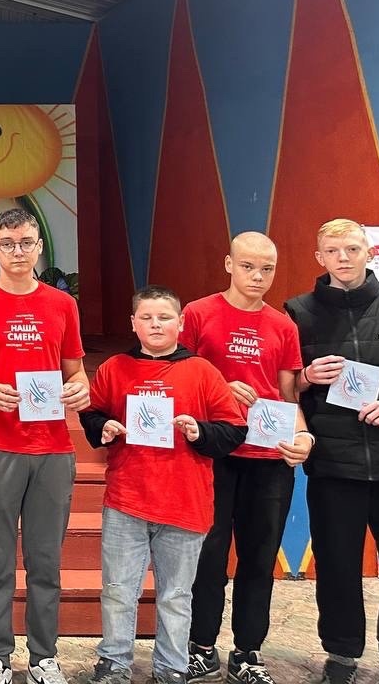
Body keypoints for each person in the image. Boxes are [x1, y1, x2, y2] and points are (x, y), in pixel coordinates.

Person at [0, 207, 90, 684]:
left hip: (52, 448)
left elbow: (75, 370)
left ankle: (45, 657)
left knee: (46, 562)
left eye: (26, 242)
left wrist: (80, 389)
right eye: (7, 244)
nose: (18, 251)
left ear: (39, 246)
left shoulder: (61, 305)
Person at [79, 286, 246, 684]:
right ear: (133, 323)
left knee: (176, 595)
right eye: (147, 317)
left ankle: (171, 666)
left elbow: (233, 430)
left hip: (185, 502)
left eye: (165, 317)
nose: (156, 324)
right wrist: (104, 427)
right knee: (118, 590)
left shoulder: (203, 371)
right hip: (126, 499)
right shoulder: (114, 368)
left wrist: (199, 432)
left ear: (181, 323)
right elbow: (93, 414)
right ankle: (114, 662)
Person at [185, 232, 313, 684]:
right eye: (247, 266)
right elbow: (178, 376)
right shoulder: (197, 313)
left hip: (268, 455)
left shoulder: (283, 326)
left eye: (266, 269)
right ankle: (201, 647)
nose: (257, 276)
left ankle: (247, 652)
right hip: (214, 451)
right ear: (228, 264)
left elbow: (287, 394)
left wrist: (303, 436)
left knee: (259, 558)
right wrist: (218, 386)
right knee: (209, 557)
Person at [285, 219, 379, 684]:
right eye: (333, 251)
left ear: (370, 252)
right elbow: (283, 385)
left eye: (351, 248)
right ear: (319, 257)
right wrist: (307, 377)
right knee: (337, 564)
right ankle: (342, 654)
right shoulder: (298, 312)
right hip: (331, 462)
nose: (343, 258)